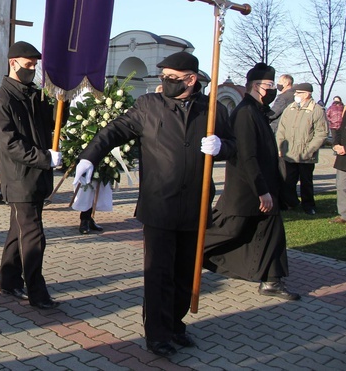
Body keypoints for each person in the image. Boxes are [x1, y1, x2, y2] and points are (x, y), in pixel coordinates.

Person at [73, 51, 236, 358]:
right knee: (158, 273)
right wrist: (89, 156)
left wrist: (221, 147)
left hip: (195, 205)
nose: (163, 82)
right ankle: (157, 334)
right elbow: (114, 131)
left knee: (186, 272)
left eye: (171, 78)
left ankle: (176, 324)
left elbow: (234, 145)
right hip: (160, 204)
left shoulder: (211, 110)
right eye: (162, 77)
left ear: (190, 79)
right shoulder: (149, 106)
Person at [203, 63, 300, 302]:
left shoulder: (257, 110)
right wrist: (261, 191)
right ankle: (186, 252)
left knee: (271, 232)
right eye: (270, 86)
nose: (273, 90)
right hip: (246, 190)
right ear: (256, 86)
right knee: (228, 230)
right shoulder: (245, 112)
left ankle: (271, 280)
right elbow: (247, 155)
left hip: (264, 186)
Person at [0, 41, 62, 310]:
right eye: (28, 65)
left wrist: (60, 104)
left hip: (38, 176)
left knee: (17, 230)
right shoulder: (2, 100)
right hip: (20, 178)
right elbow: (9, 145)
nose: (32, 69)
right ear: (13, 63)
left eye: (35, 65)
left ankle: (9, 280)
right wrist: (45, 158)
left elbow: (53, 124)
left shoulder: (36, 95)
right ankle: (37, 291)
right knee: (33, 235)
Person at [275, 83, 328, 215]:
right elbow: (281, 129)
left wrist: (309, 150)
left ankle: (308, 205)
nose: (295, 95)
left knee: (306, 182)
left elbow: (321, 133)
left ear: (307, 94)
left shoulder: (316, 110)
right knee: (288, 181)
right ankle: (291, 203)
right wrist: (280, 146)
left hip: (306, 155)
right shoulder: (290, 108)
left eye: (298, 93)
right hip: (290, 153)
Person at [331, 105, 346, 224]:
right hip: (343, 158)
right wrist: (336, 144)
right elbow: (340, 129)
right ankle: (345, 215)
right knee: (342, 186)